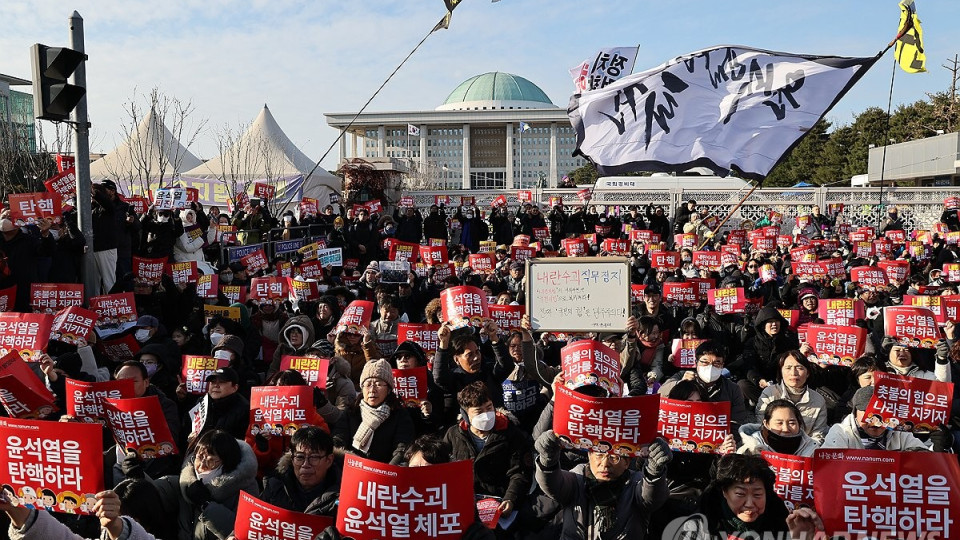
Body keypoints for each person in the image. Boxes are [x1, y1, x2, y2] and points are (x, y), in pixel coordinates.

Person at [534, 429, 673, 540]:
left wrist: (655, 471)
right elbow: (553, 484)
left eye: (614, 457)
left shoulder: (636, 482)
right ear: (589, 456)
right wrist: (548, 460)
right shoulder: (577, 478)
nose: (605, 464)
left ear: (626, 462)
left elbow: (651, 497)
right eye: (599, 455)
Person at [444, 381, 533, 530]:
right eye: (479, 412)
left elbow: (520, 472)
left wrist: (510, 499)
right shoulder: (454, 434)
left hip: (499, 503)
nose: (486, 415)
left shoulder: (511, 434)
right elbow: (444, 468)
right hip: (464, 504)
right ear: (466, 415)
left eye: (489, 408)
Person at [697, 454, 823, 539]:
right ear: (724, 492)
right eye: (740, 494)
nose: (750, 503)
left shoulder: (781, 521)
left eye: (757, 494)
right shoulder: (699, 525)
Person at [170, 429, 258, 540]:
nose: (202, 465)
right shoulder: (185, 482)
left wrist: (207, 506)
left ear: (227, 463)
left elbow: (243, 532)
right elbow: (157, 491)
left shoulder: (247, 490)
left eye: (210, 461)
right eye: (200, 457)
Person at [660, 341, 753, 440]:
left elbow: (736, 422)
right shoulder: (682, 375)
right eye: (705, 362)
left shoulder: (732, 389)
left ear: (722, 365)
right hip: (682, 435)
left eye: (717, 363)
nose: (710, 367)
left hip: (713, 440)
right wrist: (681, 383)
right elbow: (661, 393)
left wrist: (727, 440)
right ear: (696, 363)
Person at [333, 359, 414, 465]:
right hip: (352, 469)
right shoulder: (352, 412)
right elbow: (338, 439)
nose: (372, 390)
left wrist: (385, 472)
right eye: (368, 384)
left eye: (378, 384)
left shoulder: (399, 415)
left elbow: (402, 449)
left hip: (384, 473)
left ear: (389, 389)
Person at [260, 426, 341, 516]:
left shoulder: (345, 495)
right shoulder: (275, 487)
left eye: (314, 457)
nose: (305, 465)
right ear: (292, 459)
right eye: (300, 457)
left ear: (329, 460)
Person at [821, 386, 929, 451]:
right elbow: (828, 464)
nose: (874, 420)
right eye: (867, 413)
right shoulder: (841, 432)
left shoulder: (901, 434)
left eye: (881, 413)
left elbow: (926, 461)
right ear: (855, 412)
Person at [755, 352, 829, 444]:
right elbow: (761, 426)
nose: (793, 373)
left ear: (808, 373)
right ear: (781, 371)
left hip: (805, 451)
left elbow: (818, 436)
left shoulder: (818, 400)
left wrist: (803, 452)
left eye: (799, 368)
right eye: (788, 368)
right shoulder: (769, 393)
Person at [738, 399, 820, 457]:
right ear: (766, 424)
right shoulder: (750, 448)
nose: (785, 429)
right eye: (779, 423)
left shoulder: (812, 448)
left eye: (792, 423)